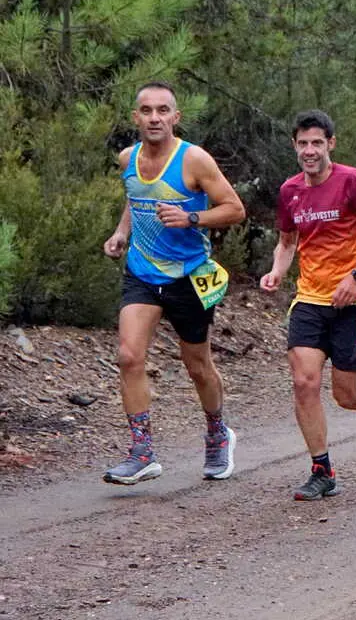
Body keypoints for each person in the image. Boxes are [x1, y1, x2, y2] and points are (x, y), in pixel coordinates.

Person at [101, 81, 246, 484]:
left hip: (189, 276)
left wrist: (191, 218)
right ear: (136, 117)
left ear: (175, 117)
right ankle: (142, 451)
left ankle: (218, 432)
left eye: (162, 110)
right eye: (146, 110)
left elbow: (235, 208)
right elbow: (135, 195)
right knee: (129, 356)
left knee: (197, 365)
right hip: (142, 273)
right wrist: (122, 232)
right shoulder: (127, 158)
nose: (154, 118)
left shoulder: (194, 160)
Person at [260, 110, 356, 500]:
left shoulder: (351, 181)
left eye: (317, 143)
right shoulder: (290, 190)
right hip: (309, 298)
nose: (310, 151)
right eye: (303, 144)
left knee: (346, 394)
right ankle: (322, 469)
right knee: (304, 382)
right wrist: (276, 272)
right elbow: (287, 242)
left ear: (331, 144)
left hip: (355, 300)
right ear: (294, 146)